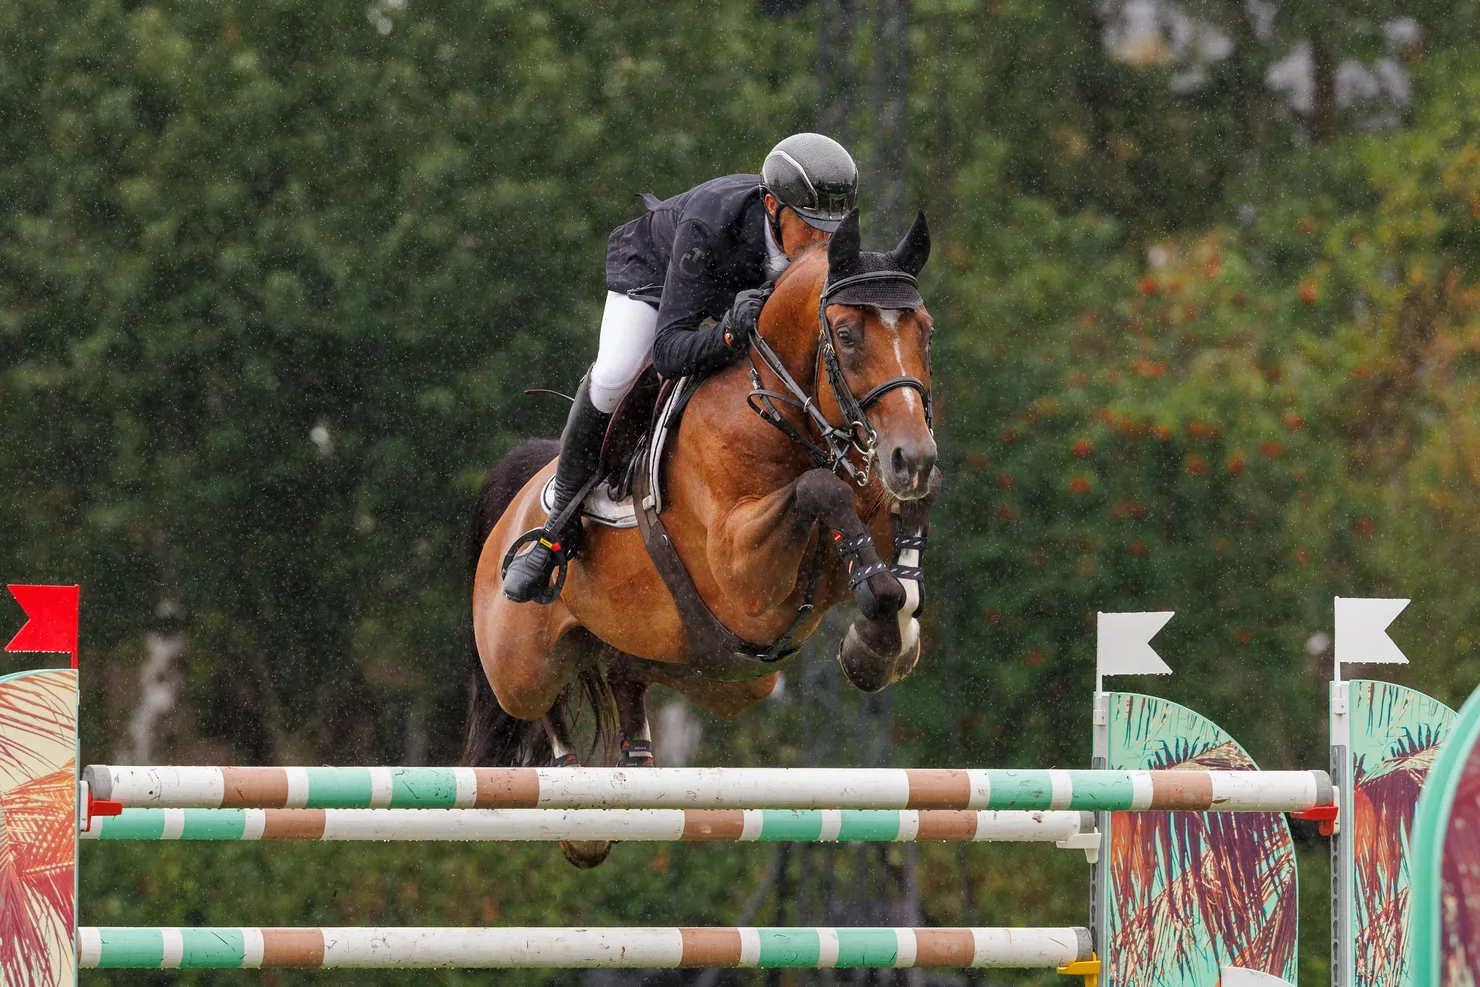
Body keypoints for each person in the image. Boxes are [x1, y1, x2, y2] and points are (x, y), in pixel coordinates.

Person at [503, 133, 860, 603]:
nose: (822, 243)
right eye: (811, 228)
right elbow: (670, 351)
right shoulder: (710, 222)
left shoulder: (820, 243)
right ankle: (556, 529)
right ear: (773, 206)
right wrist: (728, 334)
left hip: (735, 296)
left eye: (831, 231)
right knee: (614, 376)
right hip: (655, 276)